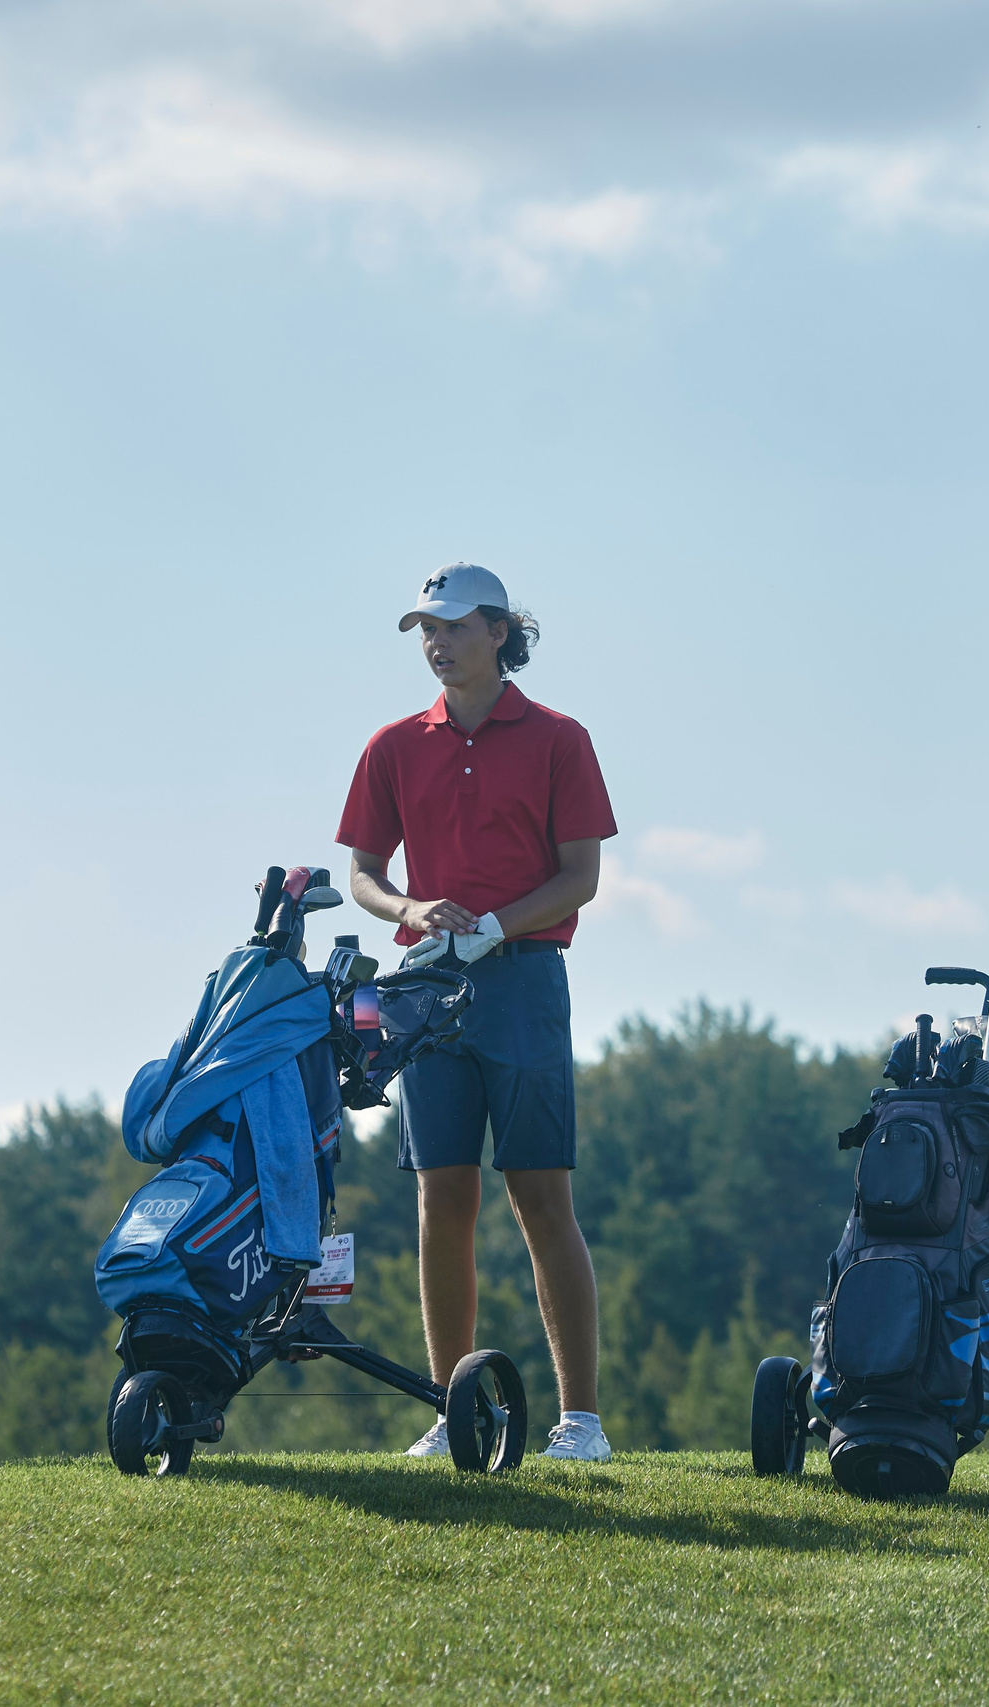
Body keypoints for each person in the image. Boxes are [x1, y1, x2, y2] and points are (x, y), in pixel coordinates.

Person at [337, 565, 619, 1462]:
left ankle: (581, 1421)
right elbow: (364, 876)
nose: (436, 641)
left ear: (499, 631)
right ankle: (451, 1407)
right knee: (441, 1195)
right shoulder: (392, 745)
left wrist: (495, 924)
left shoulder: (559, 739)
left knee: (541, 1194)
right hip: (423, 988)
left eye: (454, 625)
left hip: (526, 979)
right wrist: (410, 911)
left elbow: (581, 877)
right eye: (426, 626)